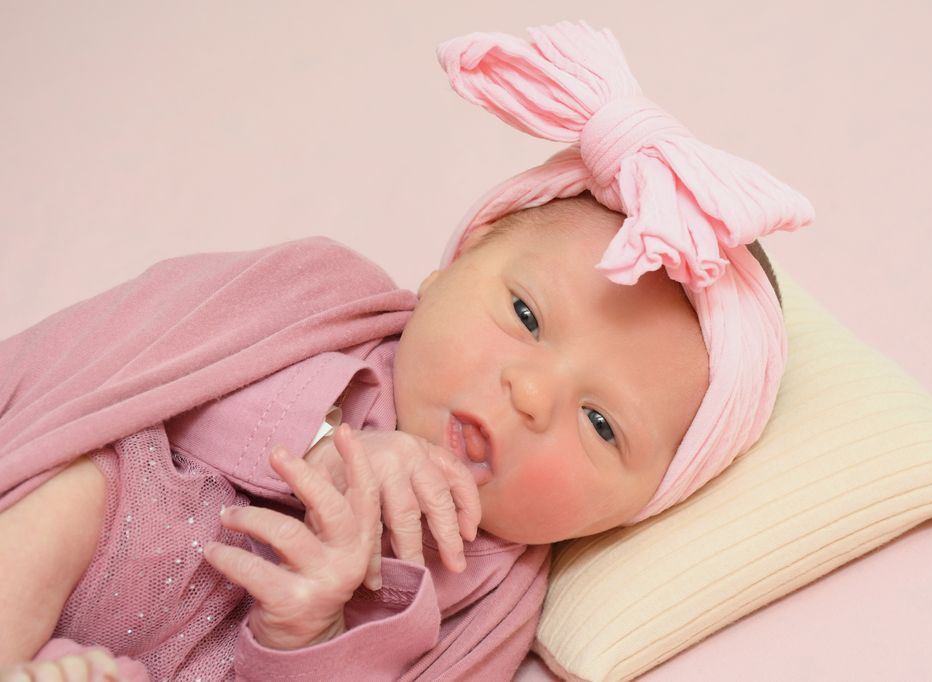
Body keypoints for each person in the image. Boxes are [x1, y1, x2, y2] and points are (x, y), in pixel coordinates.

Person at [0, 20, 812, 681]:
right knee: (80, 481)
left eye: (602, 425)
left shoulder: (495, 601)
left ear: (640, 505)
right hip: (100, 543)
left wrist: (306, 634)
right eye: (526, 314)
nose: (532, 393)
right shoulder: (324, 301)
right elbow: (150, 383)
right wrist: (327, 442)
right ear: (458, 261)